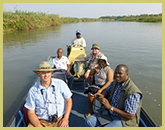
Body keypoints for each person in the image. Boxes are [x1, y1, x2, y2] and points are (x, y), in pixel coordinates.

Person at [24, 61, 72, 127]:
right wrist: (39, 126)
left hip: (59, 119)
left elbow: (68, 100)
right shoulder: (33, 90)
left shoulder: (60, 84)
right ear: (38, 73)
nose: (46, 75)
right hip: (41, 121)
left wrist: (66, 118)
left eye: (48, 72)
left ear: (51, 73)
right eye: (43, 73)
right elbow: (31, 112)